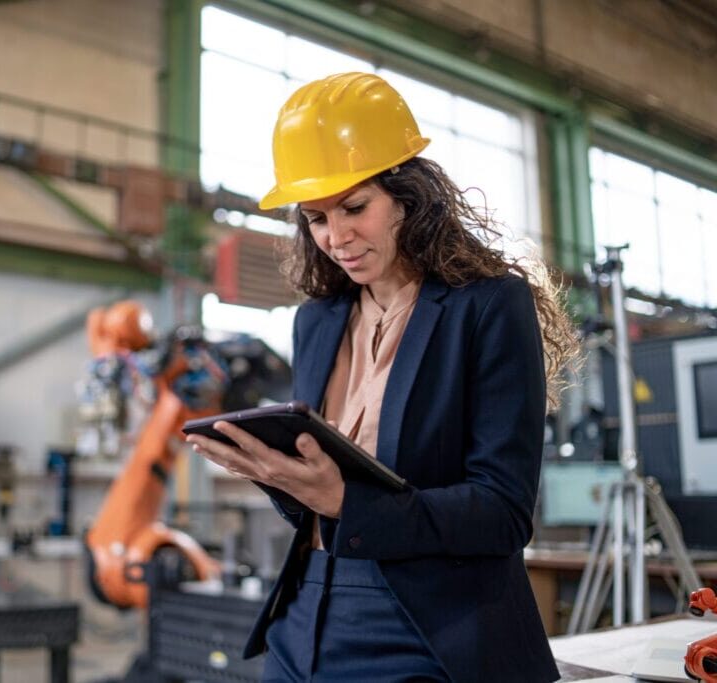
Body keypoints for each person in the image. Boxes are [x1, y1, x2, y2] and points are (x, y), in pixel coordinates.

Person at [186, 72, 578, 682]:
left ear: (408, 197)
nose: (335, 238)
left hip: (427, 622)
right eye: (315, 218)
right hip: (303, 614)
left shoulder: (489, 306)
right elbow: (316, 508)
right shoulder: (316, 322)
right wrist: (277, 476)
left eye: (354, 207)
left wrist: (344, 501)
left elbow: (503, 512)